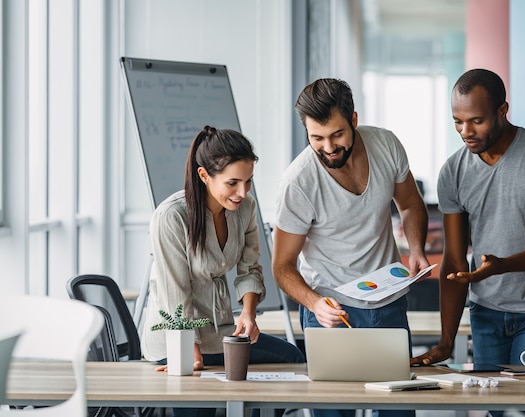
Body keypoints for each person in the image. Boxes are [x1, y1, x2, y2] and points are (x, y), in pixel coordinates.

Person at [411, 69, 525, 417]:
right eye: (457, 121)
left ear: (503, 111)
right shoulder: (453, 171)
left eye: (476, 121)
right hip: (486, 313)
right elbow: (455, 262)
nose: (466, 132)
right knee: (496, 411)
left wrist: (502, 265)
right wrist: (446, 340)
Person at [272, 78, 430, 417]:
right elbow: (282, 267)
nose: (328, 147)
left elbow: (411, 204)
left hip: (388, 302)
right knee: (333, 412)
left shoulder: (385, 144)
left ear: (354, 120)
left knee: (398, 412)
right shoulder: (298, 182)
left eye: (337, 134)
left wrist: (416, 249)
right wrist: (315, 303)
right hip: (331, 311)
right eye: (317, 138)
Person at [141, 126, 305, 417]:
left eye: (248, 181)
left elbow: (250, 268)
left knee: (290, 358)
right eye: (232, 183)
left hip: (221, 331)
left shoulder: (245, 207)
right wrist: (188, 350)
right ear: (204, 176)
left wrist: (248, 314)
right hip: (176, 337)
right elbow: (175, 291)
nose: (242, 192)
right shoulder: (171, 216)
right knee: (198, 402)